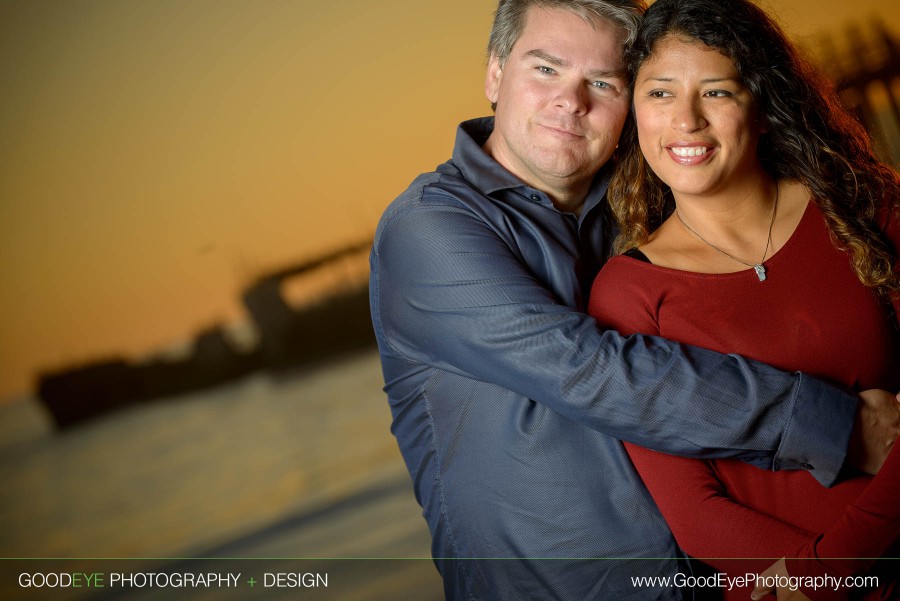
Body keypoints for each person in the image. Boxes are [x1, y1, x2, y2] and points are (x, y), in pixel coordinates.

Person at [369, 0, 899, 598]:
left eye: (602, 81)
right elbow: (591, 371)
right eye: (546, 69)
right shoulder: (428, 229)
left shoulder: (640, 209)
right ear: (494, 72)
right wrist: (837, 427)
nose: (572, 101)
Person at [588, 0, 900, 599]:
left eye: (716, 92)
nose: (687, 121)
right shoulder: (628, 296)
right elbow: (695, 510)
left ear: (761, 105)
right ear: (634, 116)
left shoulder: (861, 209)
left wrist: (830, 570)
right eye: (659, 94)